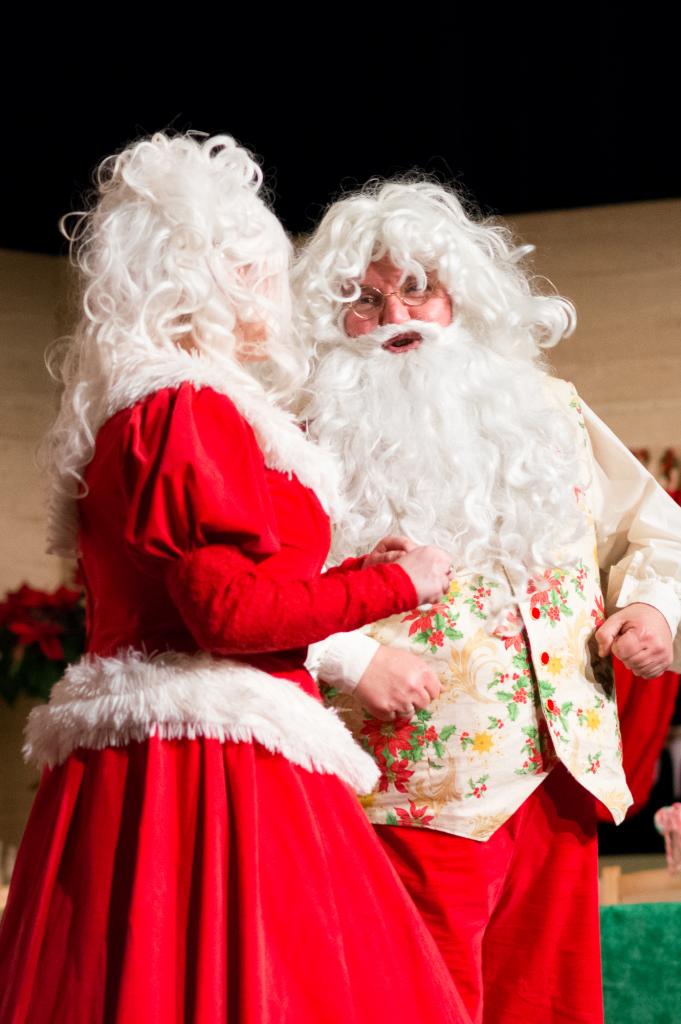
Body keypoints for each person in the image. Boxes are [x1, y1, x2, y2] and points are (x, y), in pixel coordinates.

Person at [0, 140, 471, 1024]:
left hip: (161, 766)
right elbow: (226, 613)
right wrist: (395, 584)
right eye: (253, 266)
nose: (273, 287)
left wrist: (351, 573)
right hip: (210, 774)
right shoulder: (185, 408)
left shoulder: (155, 407)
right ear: (199, 281)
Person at [294, 180, 681, 1024]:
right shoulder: (300, 435)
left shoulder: (546, 409)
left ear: (461, 298)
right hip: (407, 784)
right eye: (362, 299)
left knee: (548, 1006)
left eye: (414, 288)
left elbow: (654, 531)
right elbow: (244, 593)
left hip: (557, 779)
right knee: (417, 1005)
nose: (393, 313)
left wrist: (651, 610)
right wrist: (352, 657)